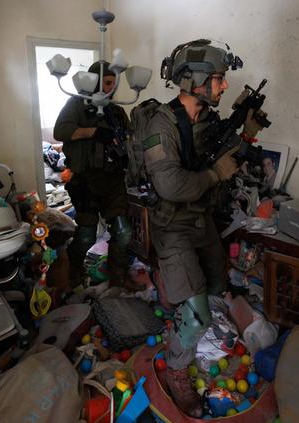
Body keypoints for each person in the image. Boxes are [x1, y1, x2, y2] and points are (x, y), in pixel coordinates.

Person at [142, 40, 244, 417]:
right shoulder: (161, 125)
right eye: (219, 79)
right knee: (198, 310)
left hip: (202, 219)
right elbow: (170, 185)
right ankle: (177, 369)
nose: (224, 86)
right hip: (172, 226)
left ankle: (186, 314)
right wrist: (216, 173)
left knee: (218, 285)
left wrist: (244, 137)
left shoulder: (207, 121)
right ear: (195, 80)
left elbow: (225, 158)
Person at [53, 61, 140, 291]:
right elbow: (60, 131)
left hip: (113, 180)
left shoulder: (116, 110)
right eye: (108, 83)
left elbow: (129, 139)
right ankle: (73, 271)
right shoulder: (77, 103)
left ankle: (118, 278)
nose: (112, 88)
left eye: (114, 83)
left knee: (123, 232)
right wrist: (93, 132)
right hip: (86, 180)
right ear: (95, 82)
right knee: (86, 237)